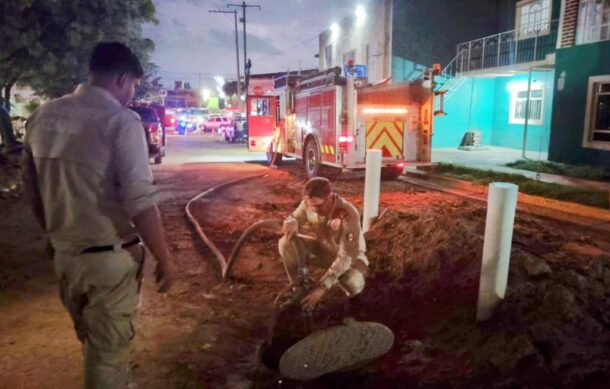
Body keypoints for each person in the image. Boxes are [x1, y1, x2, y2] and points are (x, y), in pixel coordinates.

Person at [21, 42, 176, 388]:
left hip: (66, 259)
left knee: (95, 345)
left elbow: (31, 188)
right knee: (105, 357)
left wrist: (53, 234)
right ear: (123, 79)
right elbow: (139, 201)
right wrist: (165, 258)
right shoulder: (121, 122)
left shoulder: (42, 116)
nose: (131, 93)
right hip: (110, 260)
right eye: (133, 86)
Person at [278, 177, 369, 311]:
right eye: (310, 206)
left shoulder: (348, 213)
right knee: (286, 244)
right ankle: (297, 290)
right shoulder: (308, 204)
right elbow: (295, 216)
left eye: (318, 206)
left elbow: (347, 256)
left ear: (329, 197)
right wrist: (291, 221)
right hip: (324, 251)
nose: (313, 210)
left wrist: (322, 287)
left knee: (352, 281)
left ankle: (356, 306)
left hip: (351, 258)